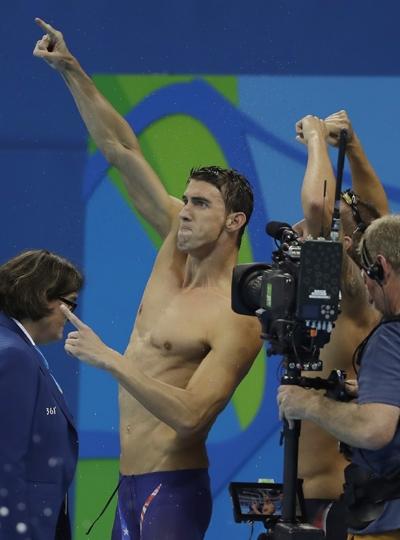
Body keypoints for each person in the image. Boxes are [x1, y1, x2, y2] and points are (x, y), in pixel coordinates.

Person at [33, 19, 263, 539]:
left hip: (171, 489)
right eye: (186, 199)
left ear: (234, 221)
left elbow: (192, 416)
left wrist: (110, 359)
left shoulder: (236, 316)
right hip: (128, 484)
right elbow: (122, 149)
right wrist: (71, 69)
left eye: (200, 204)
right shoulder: (173, 245)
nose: (185, 211)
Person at [293, 111, 389, 537]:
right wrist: (351, 146)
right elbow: (378, 218)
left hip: (332, 507)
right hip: (303, 501)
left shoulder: (356, 300)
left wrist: (316, 137)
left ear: (344, 245)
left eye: (311, 232)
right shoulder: (338, 300)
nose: (297, 231)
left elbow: (318, 211)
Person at [278, 213, 400, 537]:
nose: (365, 284)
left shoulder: (390, 337)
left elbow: (374, 430)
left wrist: (307, 403)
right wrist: (377, 393)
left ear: (381, 267)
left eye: (366, 271)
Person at [0, 249, 83, 540]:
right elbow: (5, 464)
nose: (71, 316)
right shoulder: (14, 356)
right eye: (70, 303)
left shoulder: (15, 348)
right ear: (44, 296)